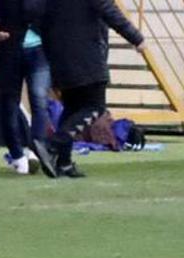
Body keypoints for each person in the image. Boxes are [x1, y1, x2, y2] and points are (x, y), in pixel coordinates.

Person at [36, 0, 144, 179]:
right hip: (86, 56)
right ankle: (52, 145)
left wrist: (52, 56)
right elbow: (109, 10)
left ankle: (64, 162)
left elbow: (41, 23)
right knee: (96, 107)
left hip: (60, 57)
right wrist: (136, 38)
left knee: (72, 109)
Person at [0, 0, 49, 175]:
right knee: (9, 104)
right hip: (9, 50)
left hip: (40, 50)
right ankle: (18, 155)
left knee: (39, 100)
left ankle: (36, 151)